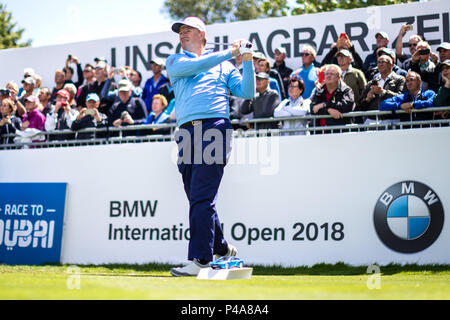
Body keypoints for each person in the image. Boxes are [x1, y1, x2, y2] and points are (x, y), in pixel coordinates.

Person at [166, 16, 254, 277]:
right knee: (197, 197)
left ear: (203, 35)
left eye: (188, 30)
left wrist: (247, 60)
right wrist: (232, 51)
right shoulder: (176, 61)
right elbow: (201, 64)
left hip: (215, 128)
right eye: (180, 31)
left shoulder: (225, 66)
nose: (182, 34)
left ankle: (201, 259)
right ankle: (223, 249)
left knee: (202, 196)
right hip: (186, 132)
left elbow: (247, 91)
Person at [359, 54, 406, 125]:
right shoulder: (371, 82)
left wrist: (383, 92)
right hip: (372, 121)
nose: (380, 64)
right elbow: (361, 106)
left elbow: (401, 97)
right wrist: (367, 99)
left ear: (391, 65)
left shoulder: (400, 79)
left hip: (392, 120)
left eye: (382, 62)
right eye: (378, 62)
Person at [310, 64, 354, 131]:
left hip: (340, 133)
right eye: (327, 74)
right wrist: (328, 110)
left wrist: (323, 105)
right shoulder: (320, 91)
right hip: (320, 134)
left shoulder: (346, 90)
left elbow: (345, 106)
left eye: (332, 74)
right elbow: (313, 109)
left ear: (339, 77)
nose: (328, 76)